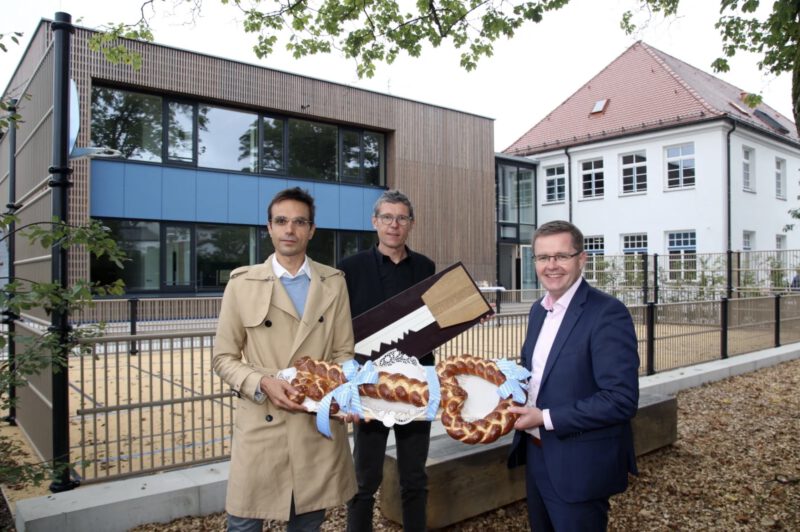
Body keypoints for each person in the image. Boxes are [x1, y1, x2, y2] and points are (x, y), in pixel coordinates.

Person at [213, 187, 356, 532]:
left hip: (314, 424)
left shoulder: (334, 283)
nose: (289, 229)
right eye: (281, 221)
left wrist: (342, 393)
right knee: (243, 522)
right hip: (261, 420)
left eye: (299, 222)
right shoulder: (242, 283)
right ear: (269, 228)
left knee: (307, 521)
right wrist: (263, 382)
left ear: (312, 229)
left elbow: (343, 354)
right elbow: (223, 357)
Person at [507, 220, 639, 531]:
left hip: (580, 464)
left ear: (581, 259)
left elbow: (620, 400)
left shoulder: (607, 313)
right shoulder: (538, 310)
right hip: (537, 455)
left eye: (561, 256)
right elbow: (536, 374)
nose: (551, 266)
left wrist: (545, 418)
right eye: (542, 258)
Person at [338, 189, 436, 532]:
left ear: (411, 224)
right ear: (374, 222)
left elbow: (439, 317)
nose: (394, 225)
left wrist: (471, 312)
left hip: (415, 383)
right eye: (387, 218)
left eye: (401, 218)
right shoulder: (349, 269)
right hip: (369, 384)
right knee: (364, 481)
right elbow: (339, 327)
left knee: (414, 477)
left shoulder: (426, 267)